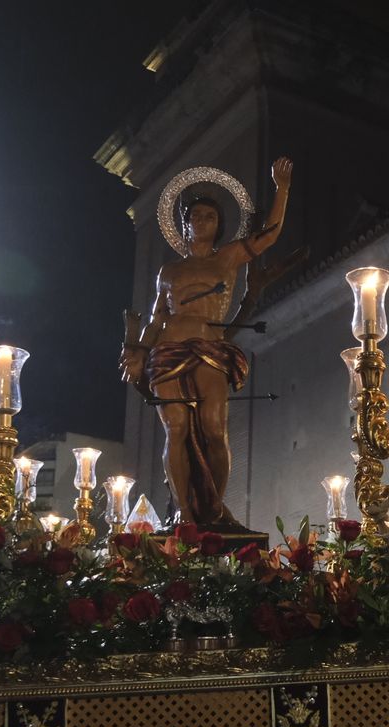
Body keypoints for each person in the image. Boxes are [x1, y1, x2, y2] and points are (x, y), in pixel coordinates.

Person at [121, 158, 293, 530]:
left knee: (215, 428)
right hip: (167, 351)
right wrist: (138, 352)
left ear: (219, 227)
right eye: (195, 215)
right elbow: (156, 317)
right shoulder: (169, 271)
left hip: (211, 351)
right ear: (185, 225)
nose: (201, 221)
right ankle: (184, 510)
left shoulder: (227, 258)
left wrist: (282, 188)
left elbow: (271, 234)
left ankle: (213, 509)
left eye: (209, 217)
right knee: (177, 427)